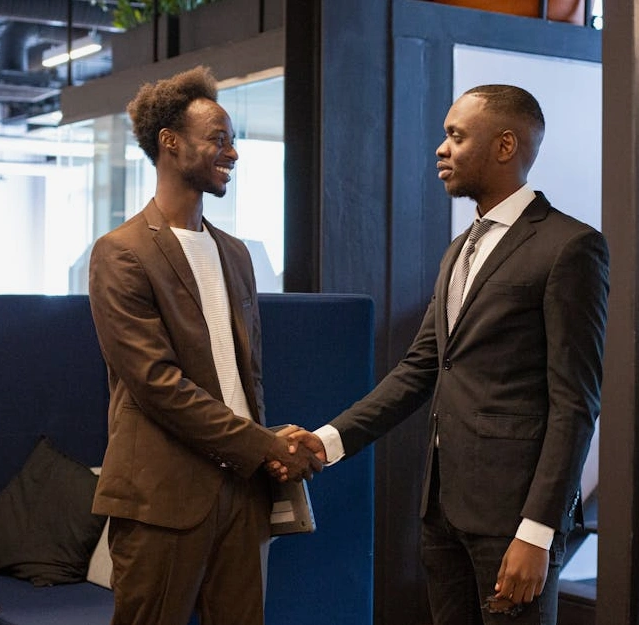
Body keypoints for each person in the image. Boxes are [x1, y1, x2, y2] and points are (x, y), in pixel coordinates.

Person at [275, 84, 609, 625]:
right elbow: (420, 370)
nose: (441, 148)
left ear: (504, 146)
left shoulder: (570, 247)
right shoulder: (461, 248)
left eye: (456, 135)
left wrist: (538, 532)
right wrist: (324, 442)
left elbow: (575, 404)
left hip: (513, 523)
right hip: (441, 512)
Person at [87, 65, 320, 625]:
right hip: (162, 499)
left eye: (233, 140)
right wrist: (263, 443)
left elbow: (244, 380)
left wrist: (266, 448)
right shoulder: (120, 252)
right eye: (219, 139)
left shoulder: (235, 253)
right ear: (170, 143)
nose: (233, 152)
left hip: (243, 492)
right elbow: (157, 386)